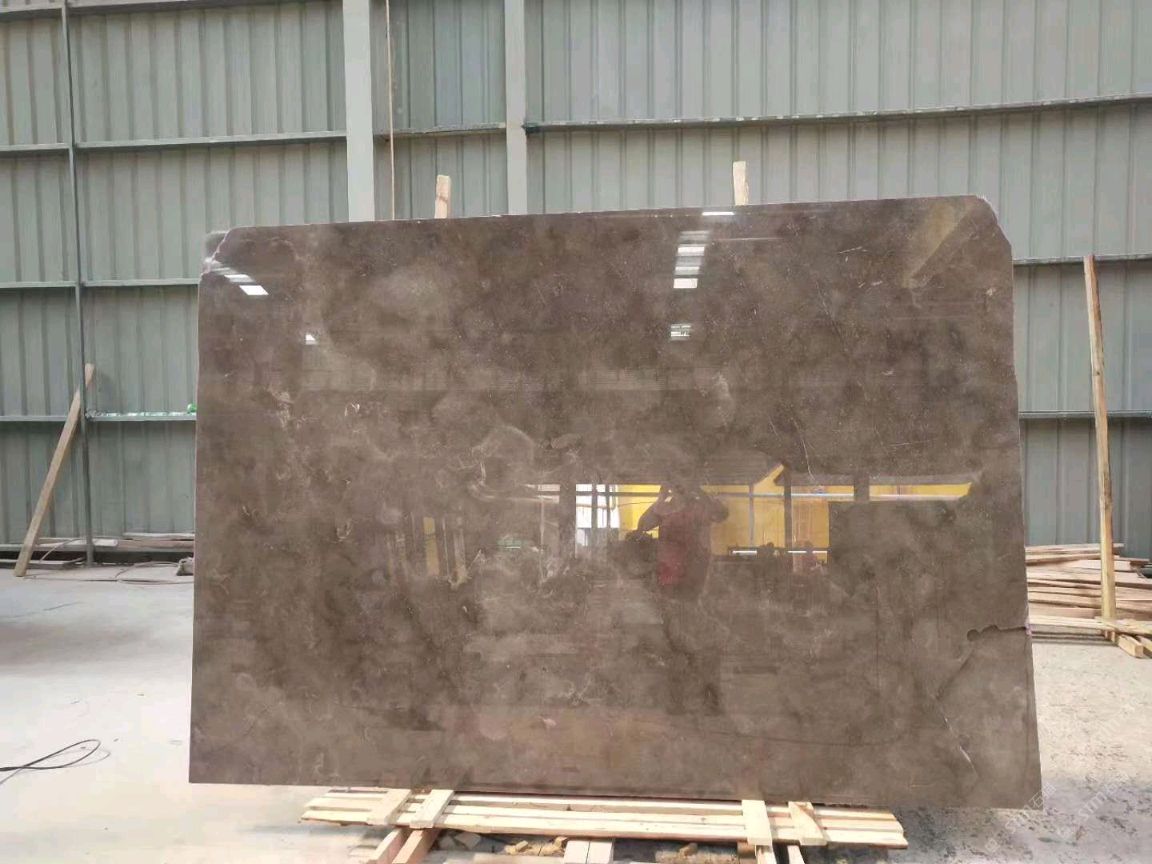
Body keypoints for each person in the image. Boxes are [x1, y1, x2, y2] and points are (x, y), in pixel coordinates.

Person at [635, 482, 728, 594]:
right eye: (675, 486)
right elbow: (643, 525)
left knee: (688, 599)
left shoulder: (698, 507)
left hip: (692, 570)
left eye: (682, 485)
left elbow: (720, 514)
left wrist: (699, 491)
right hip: (669, 572)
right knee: (670, 599)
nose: (678, 489)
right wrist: (661, 499)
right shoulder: (666, 508)